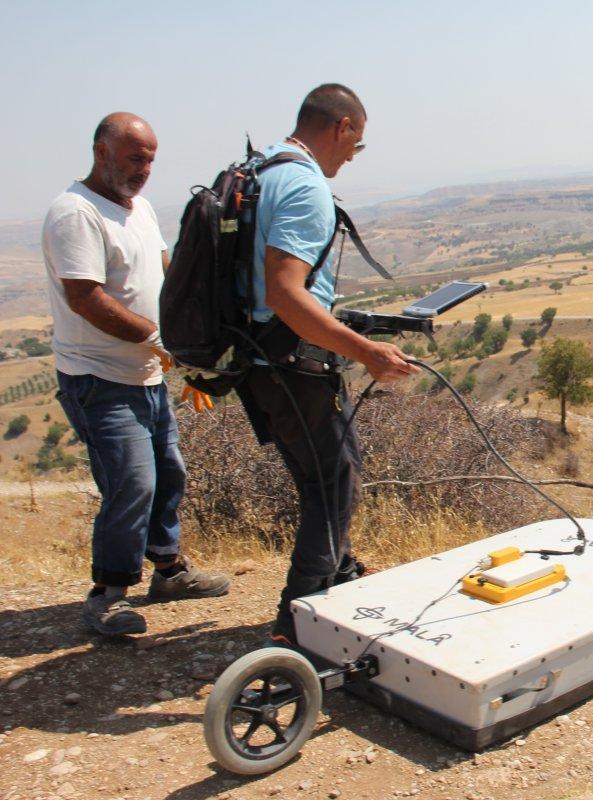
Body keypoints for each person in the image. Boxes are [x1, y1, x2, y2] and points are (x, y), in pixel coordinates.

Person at [234, 84, 416, 645]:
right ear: (341, 127)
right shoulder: (305, 184)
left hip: (254, 357)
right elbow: (287, 296)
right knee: (333, 480)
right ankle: (297, 625)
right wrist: (364, 352)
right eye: (355, 145)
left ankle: (338, 574)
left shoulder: (258, 168)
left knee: (328, 469)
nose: (350, 158)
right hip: (290, 361)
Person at [43, 113, 230, 636]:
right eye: (134, 157)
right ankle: (106, 596)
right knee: (132, 484)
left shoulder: (139, 208)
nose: (144, 169)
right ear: (101, 151)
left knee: (169, 474)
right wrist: (156, 336)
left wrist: (190, 343)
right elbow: (86, 298)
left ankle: (168, 572)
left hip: (146, 375)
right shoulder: (76, 213)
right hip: (99, 378)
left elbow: (165, 274)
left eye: (150, 159)